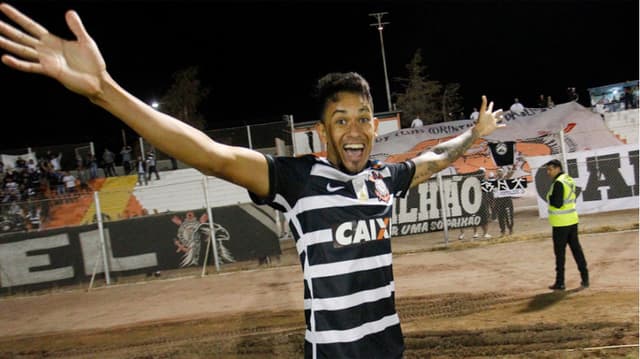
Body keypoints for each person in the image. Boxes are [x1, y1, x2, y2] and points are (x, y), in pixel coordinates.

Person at [0, 5, 505, 358]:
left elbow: (434, 158)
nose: (355, 129)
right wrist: (105, 91)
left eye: (364, 118)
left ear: (376, 125)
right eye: (341, 119)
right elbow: (208, 154)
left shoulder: (383, 180)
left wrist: (472, 134)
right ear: (322, 131)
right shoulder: (297, 179)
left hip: (392, 350)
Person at [544, 159, 589, 291]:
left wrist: (550, 198)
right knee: (577, 250)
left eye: (550, 169)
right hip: (572, 220)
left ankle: (560, 282)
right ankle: (585, 278)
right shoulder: (568, 179)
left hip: (561, 223)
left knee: (560, 254)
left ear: (558, 168)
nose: (548, 172)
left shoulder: (558, 183)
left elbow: (557, 203)